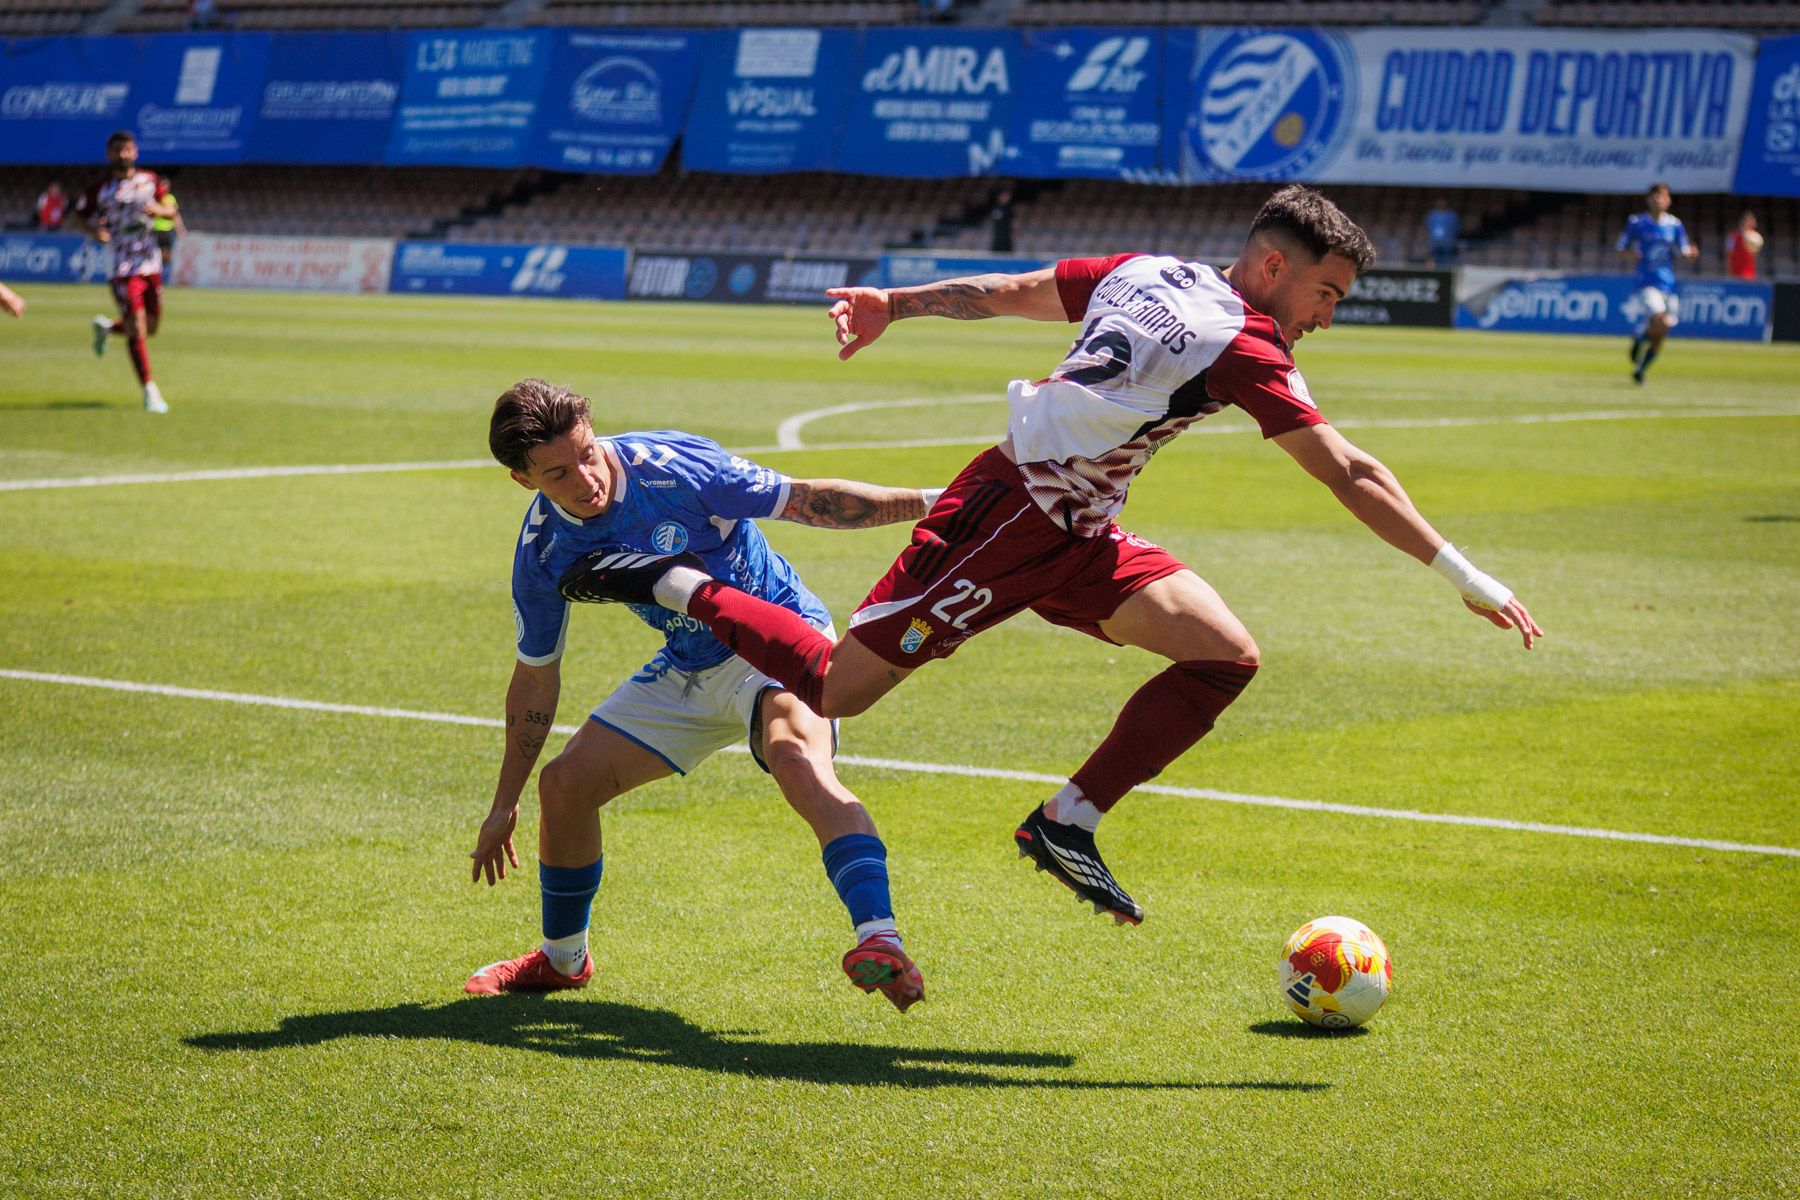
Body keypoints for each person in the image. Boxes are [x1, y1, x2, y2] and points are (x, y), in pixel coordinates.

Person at [554, 185, 1543, 929]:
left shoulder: (1151, 269)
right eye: (1326, 292)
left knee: (1222, 655)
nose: (1328, 315)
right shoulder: (1244, 343)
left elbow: (1011, 292)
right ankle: (671, 581)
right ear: (1276, 269)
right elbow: (1351, 472)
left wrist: (898, 303)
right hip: (1009, 518)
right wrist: (1467, 576)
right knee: (833, 689)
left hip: (1081, 532)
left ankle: (1067, 821)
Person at [465, 378, 938, 1012]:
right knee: (563, 787)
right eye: (557, 473)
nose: (586, 478)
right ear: (524, 480)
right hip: (686, 664)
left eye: (587, 452)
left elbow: (812, 501)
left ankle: (881, 940)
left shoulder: (675, 468)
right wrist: (504, 802)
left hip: (778, 645)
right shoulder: (545, 549)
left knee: (796, 756)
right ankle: (562, 960)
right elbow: (535, 677)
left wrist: (942, 502)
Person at [70, 130, 175, 413]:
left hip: (149, 262)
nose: (123, 154)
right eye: (118, 150)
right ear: (109, 154)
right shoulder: (100, 190)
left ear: (135, 152)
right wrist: (95, 231)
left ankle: (107, 327)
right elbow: (77, 218)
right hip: (121, 266)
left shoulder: (150, 181)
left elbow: (171, 211)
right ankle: (149, 391)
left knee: (151, 327)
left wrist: (159, 211)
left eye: (127, 149)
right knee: (138, 329)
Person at [1617, 182, 1698, 386]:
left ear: (1669, 200)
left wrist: (1690, 253)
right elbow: (1620, 247)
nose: (1659, 199)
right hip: (1647, 283)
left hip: (1668, 285)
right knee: (1660, 320)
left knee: (1661, 333)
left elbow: (1684, 249)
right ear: (1649, 199)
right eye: (1655, 196)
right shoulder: (1637, 222)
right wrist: (1630, 254)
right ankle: (1641, 339)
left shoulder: (1675, 225)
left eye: (1663, 196)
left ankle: (1640, 366)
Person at [152, 183, 187, 281]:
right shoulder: (153, 199)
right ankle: (156, 278)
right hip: (154, 230)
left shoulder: (170, 198)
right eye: (162, 185)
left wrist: (180, 229)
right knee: (154, 255)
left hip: (167, 230)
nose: (165, 187)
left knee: (167, 256)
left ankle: (164, 279)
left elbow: (175, 215)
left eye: (166, 185)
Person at [1724, 210, 1763, 281]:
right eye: (1749, 221)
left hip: (1749, 276)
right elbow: (1728, 256)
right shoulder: (1732, 237)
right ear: (1743, 222)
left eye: (1752, 221)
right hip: (1735, 276)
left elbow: (1754, 257)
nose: (1752, 223)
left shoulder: (1756, 238)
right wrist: (1729, 275)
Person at [1424, 196, 1460, 268]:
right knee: (1435, 259)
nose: (1441, 204)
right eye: (1440, 203)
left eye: (1443, 203)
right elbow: (1428, 227)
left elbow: (1457, 228)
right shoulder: (1432, 215)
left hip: (1447, 243)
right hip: (1435, 242)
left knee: (1446, 261)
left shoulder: (1452, 215)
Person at [989, 186, 1016, 255]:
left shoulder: (1010, 210)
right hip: (997, 238)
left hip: (1007, 238)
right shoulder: (995, 208)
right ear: (999, 197)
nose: (1005, 198)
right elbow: (992, 220)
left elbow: (1015, 224)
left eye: (1007, 196)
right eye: (1003, 196)